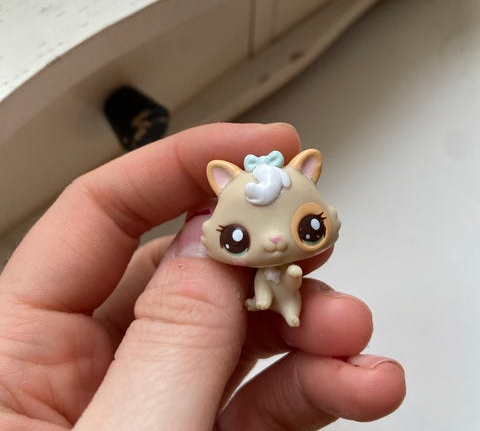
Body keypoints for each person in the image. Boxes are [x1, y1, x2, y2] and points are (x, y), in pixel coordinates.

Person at [0, 123, 405, 430]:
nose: (276, 241)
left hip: (284, 284)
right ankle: (275, 302)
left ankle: (283, 304)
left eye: (308, 227)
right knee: (274, 296)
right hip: (266, 288)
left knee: (289, 295)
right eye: (238, 236)